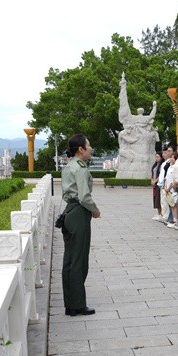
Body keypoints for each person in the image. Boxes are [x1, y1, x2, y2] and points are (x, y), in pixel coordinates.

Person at [60, 134, 101, 316]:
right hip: (79, 212)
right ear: (80, 149)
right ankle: (77, 304)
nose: (91, 148)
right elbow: (84, 196)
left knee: (69, 259)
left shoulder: (69, 166)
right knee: (79, 260)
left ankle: (70, 304)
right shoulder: (81, 168)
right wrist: (95, 210)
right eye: (88, 145)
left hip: (70, 211)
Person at [150, 152, 163, 221]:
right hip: (154, 184)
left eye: (158, 157)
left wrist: (155, 181)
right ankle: (158, 213)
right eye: (156, 157)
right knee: (155, 198)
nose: (156, 158)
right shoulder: (155, 165)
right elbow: (152, 174)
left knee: (158, 199)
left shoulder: (161, 165)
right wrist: (152, 180)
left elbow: (160, 175)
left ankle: (161, 214)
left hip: (158, 184)